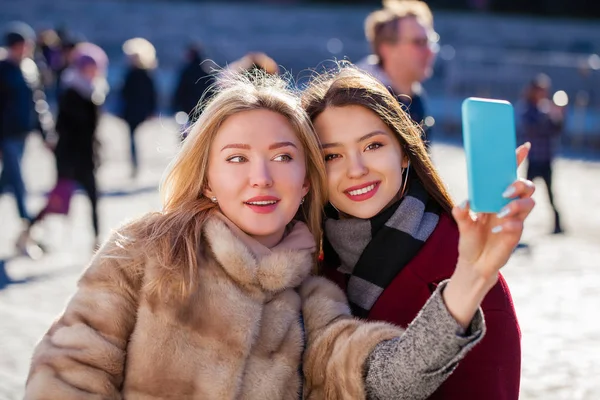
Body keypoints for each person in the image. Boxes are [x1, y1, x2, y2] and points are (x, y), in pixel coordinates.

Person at [25, 70, 525, 400]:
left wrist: (470, 276)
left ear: (304, 179)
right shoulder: (144, 252)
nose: (261, 177)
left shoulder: (312, 290)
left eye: (283, 157)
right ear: (206, 177)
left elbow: (386, 378)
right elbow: (66, 376)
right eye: (237, 158)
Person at [302, 65, 535, 400]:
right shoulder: (311, 271)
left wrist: (471, 276)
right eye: (332, 155)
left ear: (404, 153)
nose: (356, 169)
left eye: (373, 146)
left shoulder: (465, 264)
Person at [17, 42, 109, 254]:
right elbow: (66, 128)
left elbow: (94, 131)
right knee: (57, 201)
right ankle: (27, 231)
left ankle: (97, 242)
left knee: (94, 199)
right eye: (90, 67)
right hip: (70, 157)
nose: (94, 71)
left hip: (87, 157)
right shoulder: (72, 91)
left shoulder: (94, 91)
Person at [0, 22, 51, 254]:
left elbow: (37, 103)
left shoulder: (30, 69)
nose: (24, 50)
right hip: (6, 135)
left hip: (23, 134)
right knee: (19, 182)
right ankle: (28, 229)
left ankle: (26, 231)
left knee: (7, 179)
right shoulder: (3, 70)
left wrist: (45, 133)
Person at [358, 0, 437, 147]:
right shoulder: (360, 101)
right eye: (419, 42)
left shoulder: (415, 97)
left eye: (430, 41)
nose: (430, 51)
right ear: (387, 49)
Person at [517, 73, 564, 234]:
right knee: (523, 194)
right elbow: (533, 129)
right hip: (534, 158)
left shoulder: (546, 108)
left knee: (551, 194)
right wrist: (549, 116)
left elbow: (556, 130)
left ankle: (558, 225)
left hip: (546, 158)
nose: (543, 93)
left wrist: (558, 116)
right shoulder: (528, 108)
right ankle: (514, 222)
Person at [119, 37, 158, 178]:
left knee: (138, 139)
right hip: (132, 111)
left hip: (137, 111)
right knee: (133, 140)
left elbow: (151, 94)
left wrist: (151, 109)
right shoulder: (132, 74)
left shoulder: (142, 75)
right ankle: (135, 165)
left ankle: (139, 165)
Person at [171, 42, 217, 128]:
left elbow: (180, 90)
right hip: (204, 108)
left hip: (188, 108)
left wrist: (175, 106)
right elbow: (213, 90)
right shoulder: (207, 70)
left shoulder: (187, 71)